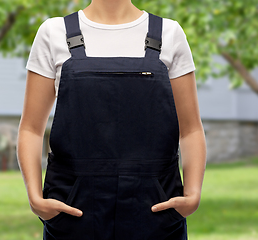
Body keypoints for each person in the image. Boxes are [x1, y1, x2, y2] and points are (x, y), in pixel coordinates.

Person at [16, 0, 207, 239]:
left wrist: (193, 194)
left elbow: (190, 129)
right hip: (74, 212)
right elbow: (31, 129)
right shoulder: (53, 33)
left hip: (155, 210)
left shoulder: (169, 34)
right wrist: (35, 199)